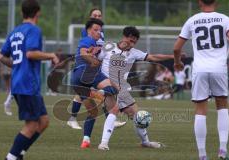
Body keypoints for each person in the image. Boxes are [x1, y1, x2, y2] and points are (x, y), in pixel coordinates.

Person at [173, 0, 229, 160]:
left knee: (201, 111)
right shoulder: (225, 19)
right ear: (215, 2)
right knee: (222, 107)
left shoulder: (192, 20)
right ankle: (222, 150)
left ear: (199, 2)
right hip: (218, 69)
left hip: (200, 69)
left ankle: (202, 155)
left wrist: (177, 62)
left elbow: (176, 48)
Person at [0, 0, 59, 159]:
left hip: (19, 82)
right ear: (38, 12)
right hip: (27, 84)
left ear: (21, 13)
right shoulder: (34, 30)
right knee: (32, 125)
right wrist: (50, 55)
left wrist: (17, 65)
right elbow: (31, 54)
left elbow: (1, 56)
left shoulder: (15, 31)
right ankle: (11, 157)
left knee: (43, 121)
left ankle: (19, 153)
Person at [97, 26, 174, 150]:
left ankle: (145, 142)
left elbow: (153, 57)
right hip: (108, 86)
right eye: (130, 40)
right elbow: (96, 61)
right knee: (114, 110)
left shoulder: (134, 53)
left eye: (134, 42)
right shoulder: (108, 46)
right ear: (124, 37)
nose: (131, 44)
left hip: (122, 89)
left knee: (137, 115)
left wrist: (172, 57)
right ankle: (103, 143)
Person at [67, 8, 126, 130]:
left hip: (93, 67)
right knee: (95, 92)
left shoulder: (100, 32)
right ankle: (73, 118)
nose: (97, 17)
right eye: (95, 15)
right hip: (86, 67)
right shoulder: (87, 32)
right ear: (90, 17)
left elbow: (99, 49)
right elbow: (85, 50)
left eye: (99, 15)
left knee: (101, 92)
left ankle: (109, 119)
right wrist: (93, 59)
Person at [70, 18, 118, 149]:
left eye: (100, 30)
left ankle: (86, 140)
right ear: (88, 30)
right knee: (114, 87)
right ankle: (100, 94)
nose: (98, 33)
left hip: (76, 79)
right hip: (87, 73)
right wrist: (93, 61)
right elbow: (83, 53)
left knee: (92, 112)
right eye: (95, 30)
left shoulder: (95, 43)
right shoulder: (88, 39)